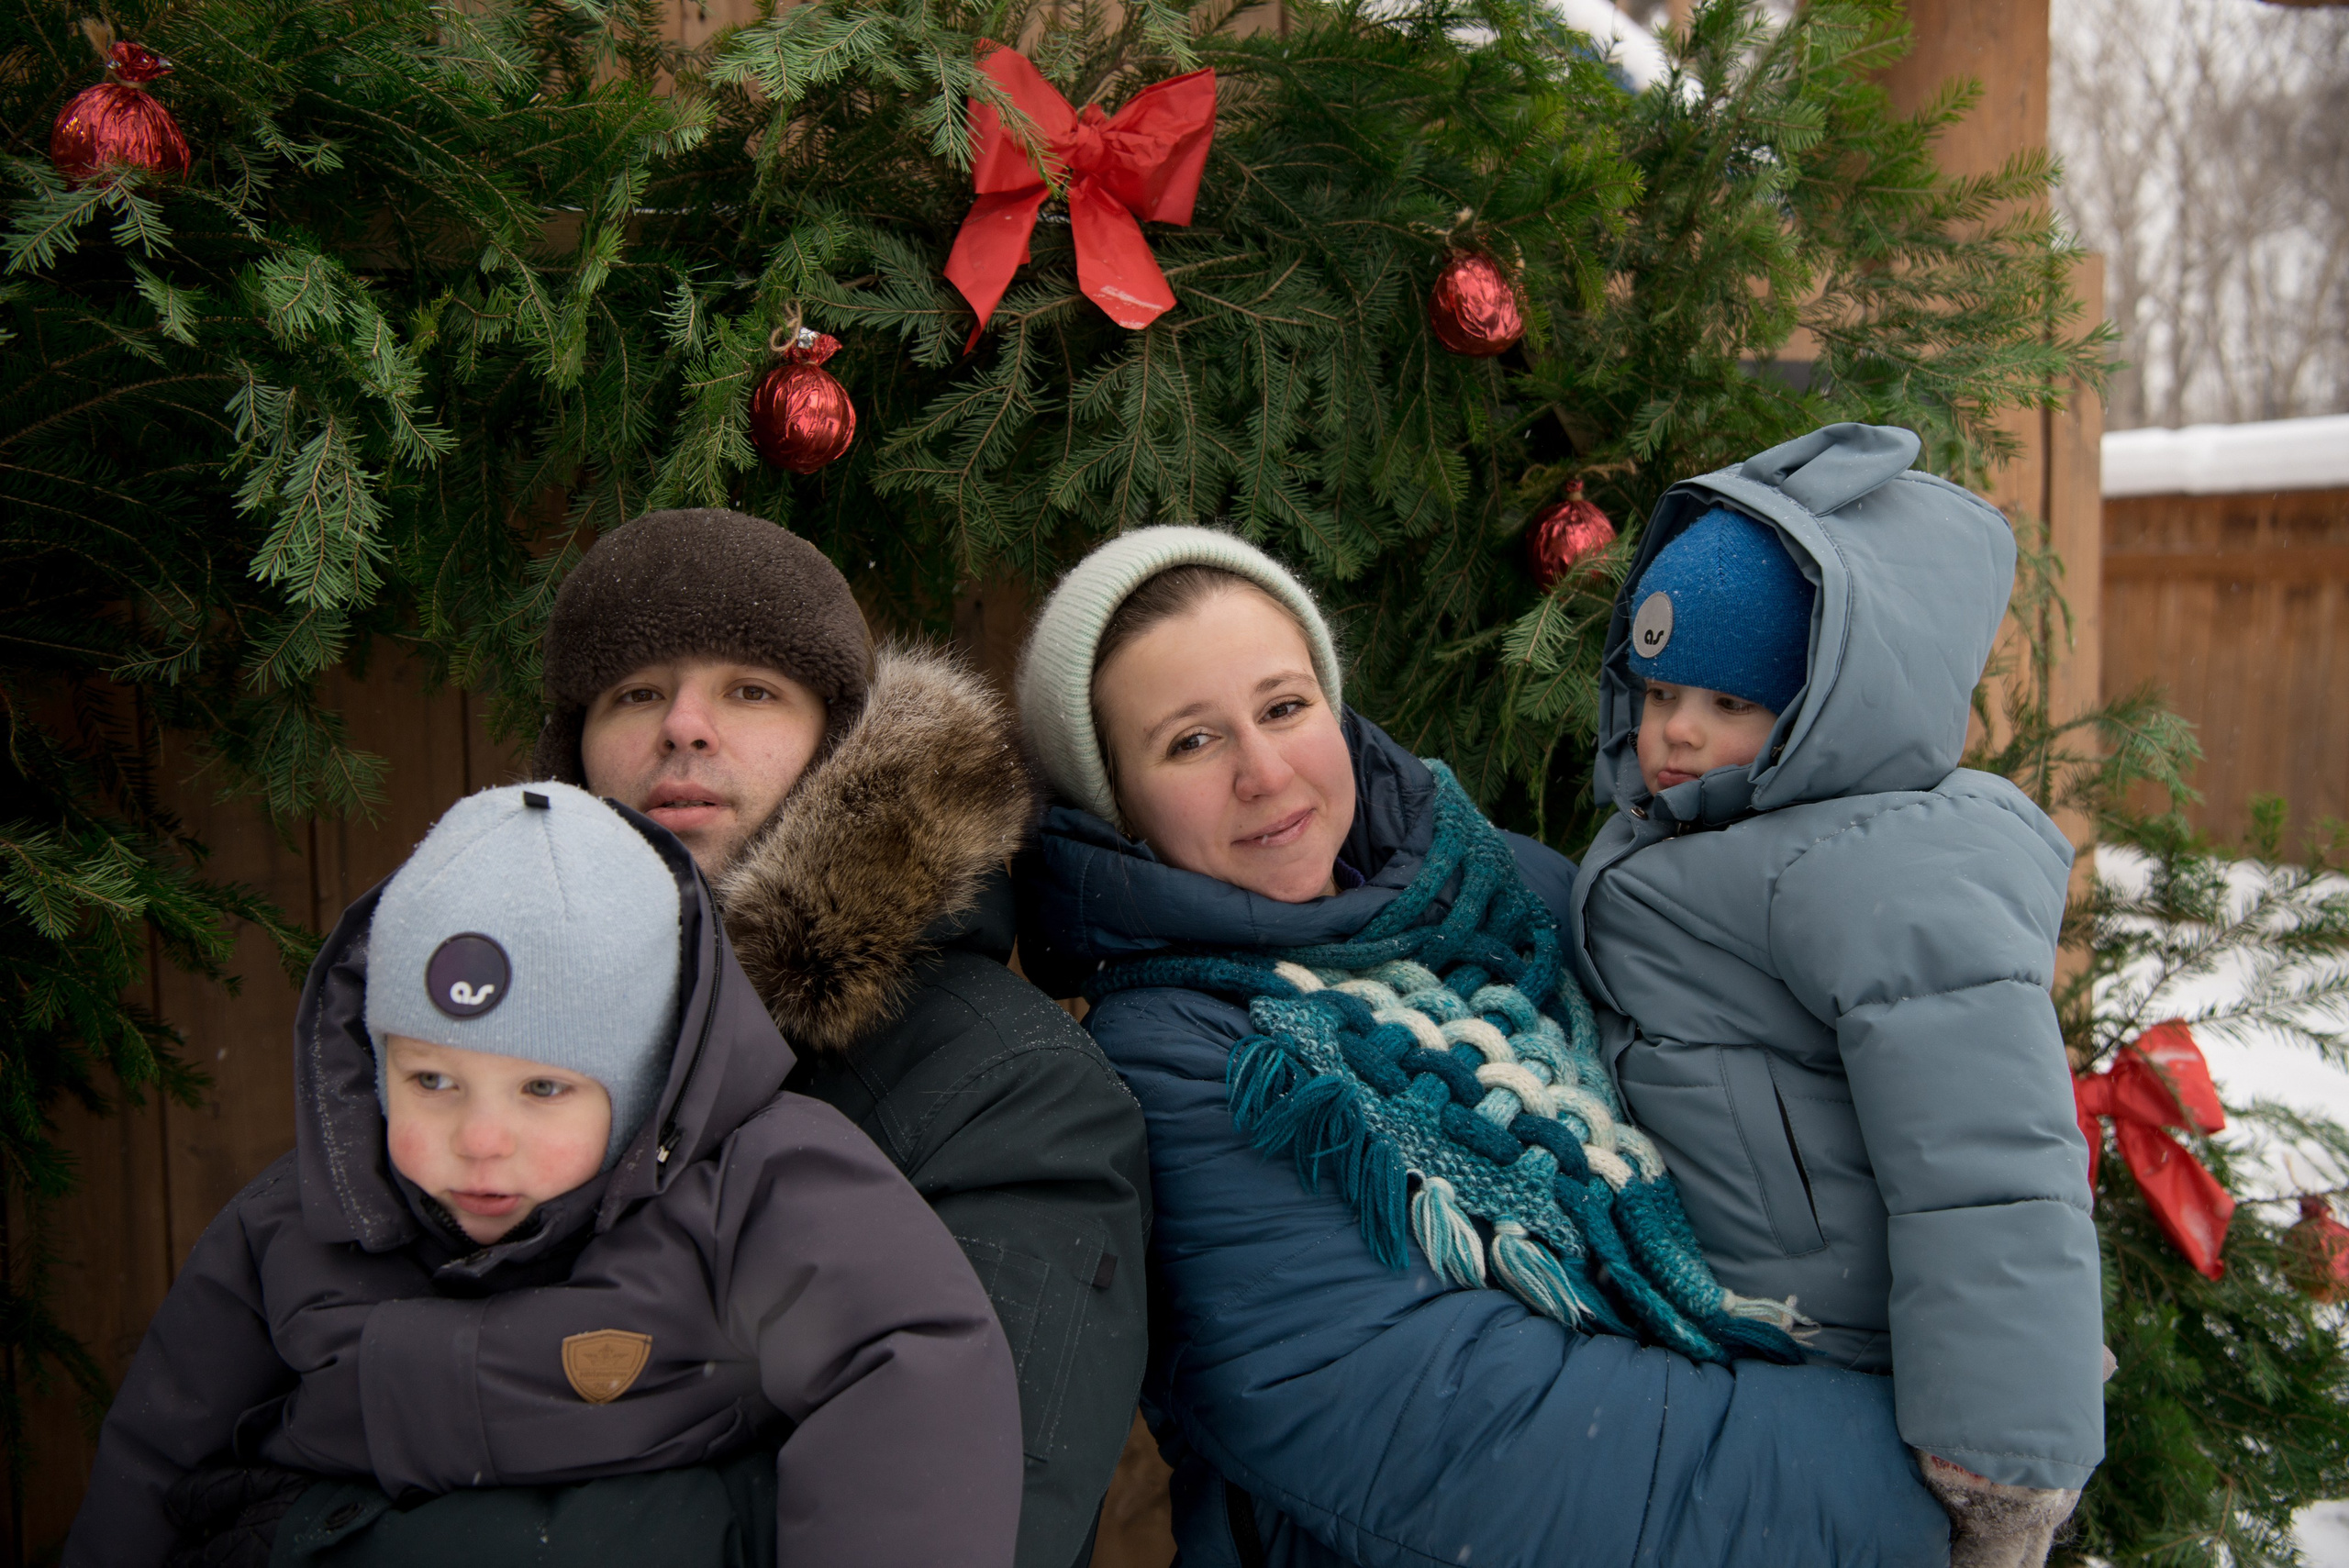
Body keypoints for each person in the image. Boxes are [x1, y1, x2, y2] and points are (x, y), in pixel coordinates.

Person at [1012, 524, 1957, 1568]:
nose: (1264, 768)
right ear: (1117, 804)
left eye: (1284, 706)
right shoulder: (1179, 1055)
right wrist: (1905, 1479)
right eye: (1190, 741)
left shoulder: (1516, 892)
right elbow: (1450, 1430)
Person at [65, 781, 1022, 1568]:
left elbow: (909, 1368)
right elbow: (157, 1452)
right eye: (432, 1078)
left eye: (544, 1087)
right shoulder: (295, 1222)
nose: (480, 1138)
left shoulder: (761, 1186)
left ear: (648, 1083)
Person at [532, 508, 1150, 1568]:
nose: (683, 724)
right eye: (635, 691)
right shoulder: (477, 1044)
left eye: (750, 689)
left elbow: (974, 1518)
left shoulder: (1010, 1091)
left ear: (840, 740)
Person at [1570, 424, 2104, 1565]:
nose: (1675, 729)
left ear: (1829, 706)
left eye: (1727, 696)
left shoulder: (1866, 865)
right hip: (1726, 1325)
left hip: (1843, 1351)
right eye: (1658, 687)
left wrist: (1999, 1459)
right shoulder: (1713, 837)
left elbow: (1991, 1167)